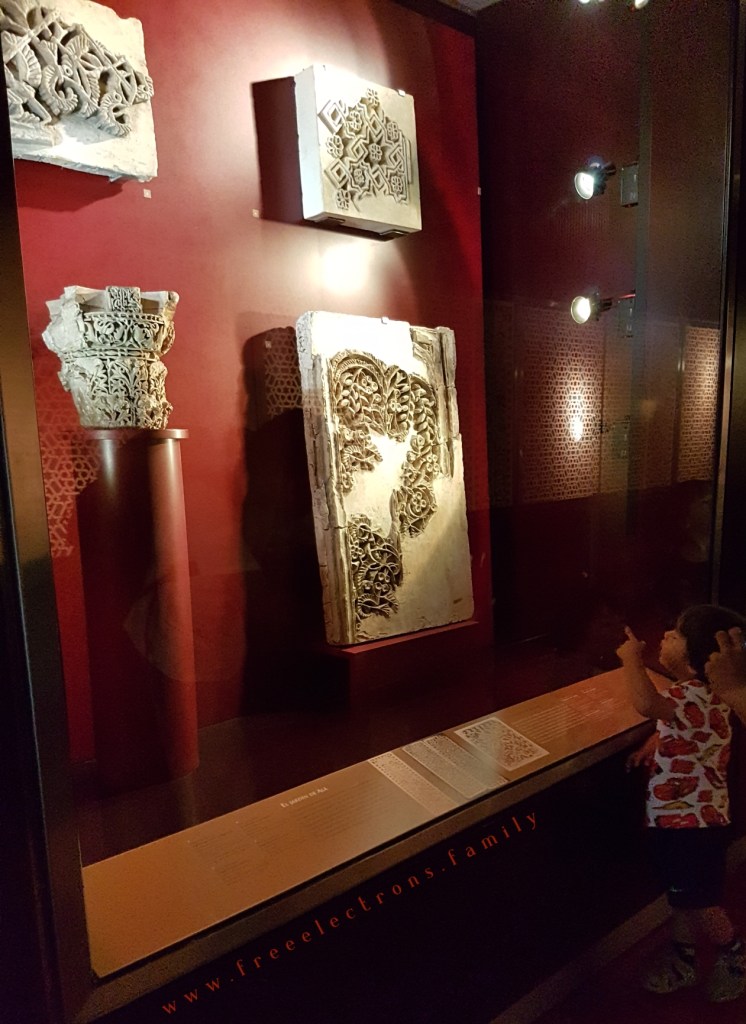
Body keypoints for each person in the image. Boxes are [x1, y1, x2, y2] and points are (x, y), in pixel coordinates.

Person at [616, 604, 746, 1002]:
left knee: (701, 902)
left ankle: (736, 956)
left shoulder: (688, 695)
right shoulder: (711, 696)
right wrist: (658, 741)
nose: (666, 636)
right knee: (683, 898)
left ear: (695, 657)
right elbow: (689, 727)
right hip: (696, 822)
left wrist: (631, 660)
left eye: (676, 634)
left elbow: (646, 703)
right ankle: (684, 959)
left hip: (687, 827)